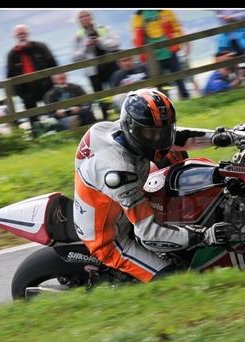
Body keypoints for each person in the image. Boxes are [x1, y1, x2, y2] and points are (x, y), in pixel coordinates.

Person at [73, 88, 235, 283]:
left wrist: (224, 136)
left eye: (164, 132)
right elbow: (148, 233)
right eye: (151, 133)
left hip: (121, 196)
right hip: (111, 238)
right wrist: (206, 236)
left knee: (176, 156)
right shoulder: (118, 172)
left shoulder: (113, 130)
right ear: (131, 127)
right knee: (174, 281)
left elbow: (177, 138)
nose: (160, 140)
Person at [5, 24, 58, 136]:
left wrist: (54, 83)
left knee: (53, 111)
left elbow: (53, 64)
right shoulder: (12, 54)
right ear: (15, 36)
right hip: (26, 91)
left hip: (46, 86)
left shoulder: (41, 47)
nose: (22, 36)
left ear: (28, 34)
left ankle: (59, 132)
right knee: (33, 118)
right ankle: (38, 138)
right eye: (19, 34)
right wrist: (18, 93)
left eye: (23, 33)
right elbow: (10, 76)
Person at [71, 10, 120, 119]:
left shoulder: (104, 28)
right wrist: (85, 46)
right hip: (93, 71)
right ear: (78, 21)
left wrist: (99, 41)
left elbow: (115, 44)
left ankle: (121, 116)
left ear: (91, 17)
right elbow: (75, 57)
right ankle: (106, 120)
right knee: (101, 98)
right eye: (81, 17)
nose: (85, 18)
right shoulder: (77, 36)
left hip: (110, 66)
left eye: (86, 15)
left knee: (117, 92)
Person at [132, 10, 191, 100]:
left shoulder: (166, 11)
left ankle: (185, 97)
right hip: (152, 55)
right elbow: (136, 37)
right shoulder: (137, 17)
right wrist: (143, 54)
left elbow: (176, 27)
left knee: (178, 76)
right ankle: (165, 102)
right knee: (160, 82)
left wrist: (176, 43)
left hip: (170, 50)